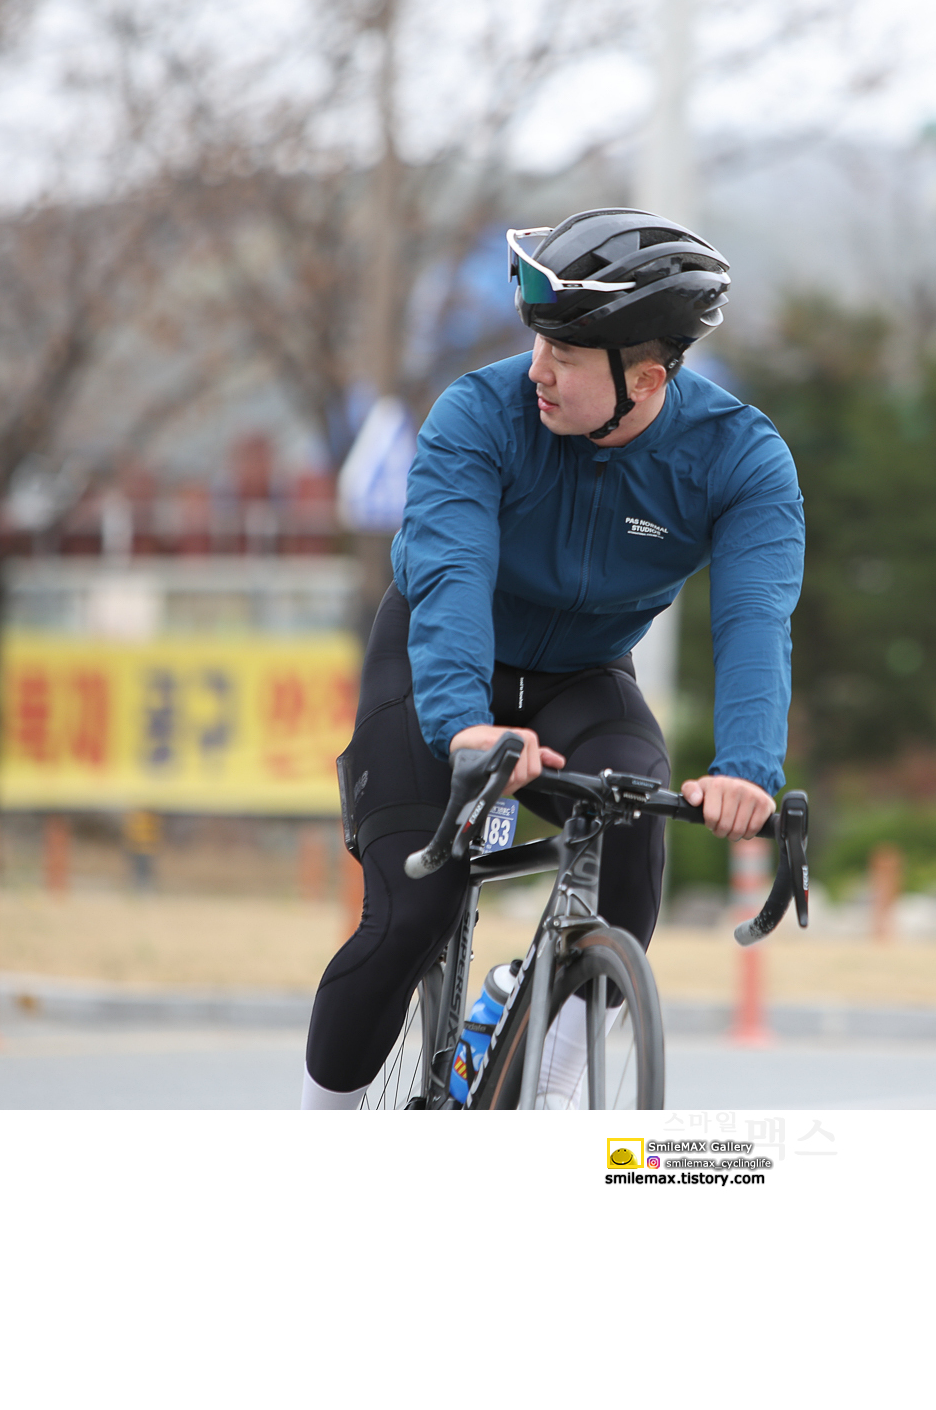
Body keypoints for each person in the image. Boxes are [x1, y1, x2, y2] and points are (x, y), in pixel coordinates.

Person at [301, 208, 804, 1108]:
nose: (536, 369)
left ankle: (547, 1095)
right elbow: (453, 577)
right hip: (436, 666)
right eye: (538, 342)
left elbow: (755, 618)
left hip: (583, 679)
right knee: (413, 913)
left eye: (565, 357)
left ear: (646, 379)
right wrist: (464, 725)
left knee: (631, 851)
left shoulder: (740, 459)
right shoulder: (478, 414)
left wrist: (748, 768)